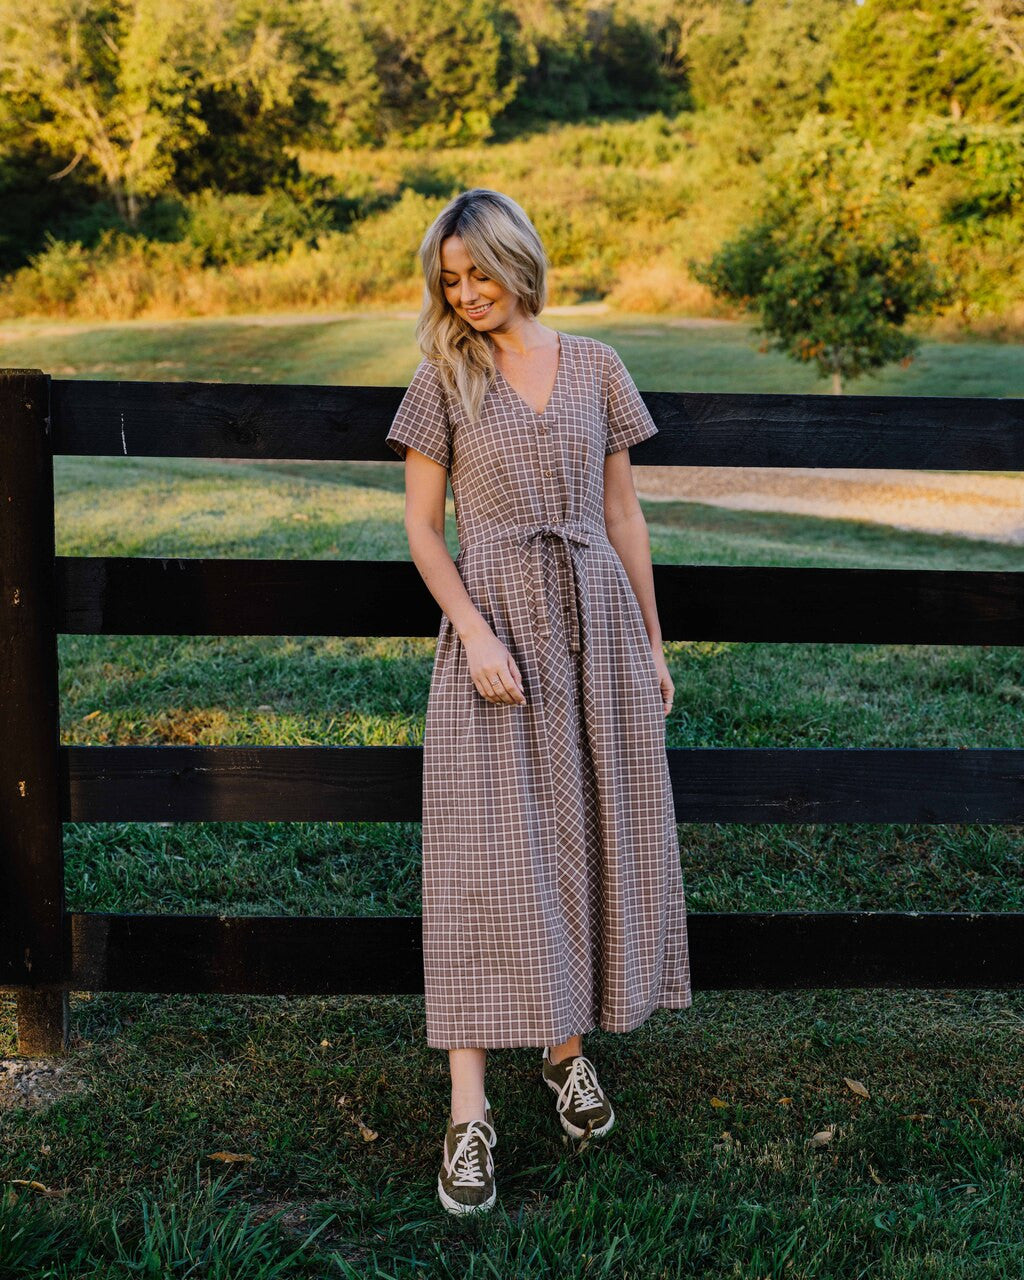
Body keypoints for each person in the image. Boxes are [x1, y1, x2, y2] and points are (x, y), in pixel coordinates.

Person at [385, 188, 692, 1216]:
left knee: (576, 835)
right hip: (498, 633)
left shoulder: (597, 366)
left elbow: (621, 511)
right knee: (485, 853)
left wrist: (651, 640)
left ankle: (564, 1052)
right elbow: (425, 530)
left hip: (595, 624)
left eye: (480, 274)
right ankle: (468, 1111)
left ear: (521, 262)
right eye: (450, 281)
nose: (467, 295)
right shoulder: (443, 376)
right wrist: (474, 631)